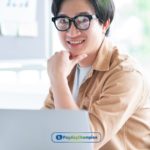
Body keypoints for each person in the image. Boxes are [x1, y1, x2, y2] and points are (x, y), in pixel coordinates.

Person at [44, 0, 150, 149]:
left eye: (82, 21)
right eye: (63, 21)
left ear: (105, 24)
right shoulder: (66, 69)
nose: (71, 32)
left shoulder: (126, 75)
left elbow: (81, 141)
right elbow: (42, 127)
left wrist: (58, 80)